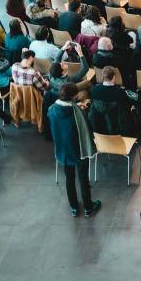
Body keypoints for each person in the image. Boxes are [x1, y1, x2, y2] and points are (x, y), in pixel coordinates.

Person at [48, 83, 100, 218]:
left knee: (69, 178)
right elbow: (87, 129)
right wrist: (82, 110)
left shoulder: (52, 109)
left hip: (63, 149)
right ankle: (88, 207)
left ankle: (74, 208)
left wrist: (77, 108)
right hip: (78, 149)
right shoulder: (77, 112)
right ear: (72, 96)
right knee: (83, 178)